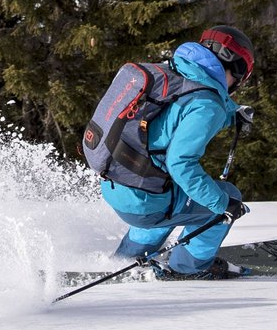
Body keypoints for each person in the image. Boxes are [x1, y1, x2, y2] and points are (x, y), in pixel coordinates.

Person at [101, 24, 255, 278]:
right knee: (225, 196)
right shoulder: (208, 105)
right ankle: (188, 268)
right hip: (147, 203)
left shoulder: (173, 72)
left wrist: (231, 114)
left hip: (118, 184)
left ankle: (126, 257)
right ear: (236, 70)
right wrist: (223, 205)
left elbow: (179, 110)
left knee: (167, 190)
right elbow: (181, 163)